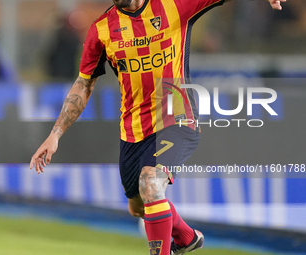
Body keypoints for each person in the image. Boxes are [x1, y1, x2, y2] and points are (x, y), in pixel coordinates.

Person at [30, 0, 286, 254]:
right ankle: (187, 238)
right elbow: (84, 84)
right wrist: (55, 135)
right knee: (139, 206)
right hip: (133, 129)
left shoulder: (174, 5)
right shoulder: (102, 29)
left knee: (150, 183)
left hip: (177, 117)